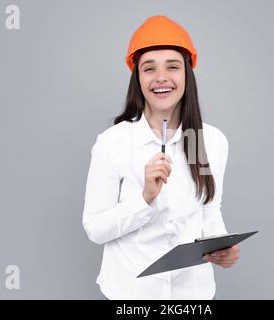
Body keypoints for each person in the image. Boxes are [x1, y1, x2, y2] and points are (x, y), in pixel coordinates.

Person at [82, 15, 239, 300]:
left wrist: (221, 246)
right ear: (138, 79)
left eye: (173, 67)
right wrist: (144, 198)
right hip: (131, 294)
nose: (161, 77)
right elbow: (95, 228)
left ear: (186, 75)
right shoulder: (113, 143)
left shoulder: (212, 141)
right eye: (149, 68)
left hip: (192, 294)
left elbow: (209, 209)